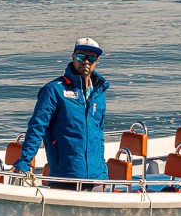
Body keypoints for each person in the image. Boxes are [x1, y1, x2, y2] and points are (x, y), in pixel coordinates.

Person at [13, 37, 110, 189]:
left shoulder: (99, 93)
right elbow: (37, 128)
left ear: (96, 61)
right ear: (73, 58)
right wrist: (24, 161)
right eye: (81, 57)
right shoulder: (54, 90)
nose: (86, 62)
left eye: (91, 58)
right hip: (66, 176)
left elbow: (99, 134)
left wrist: (103, 172)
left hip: (97, 178)